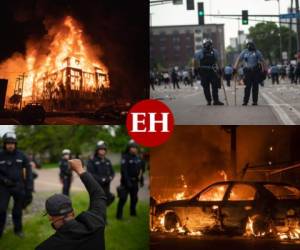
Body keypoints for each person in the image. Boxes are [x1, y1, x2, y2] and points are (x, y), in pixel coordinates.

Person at [36, 159, 106, 250]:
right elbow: (98, 195)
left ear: (50, 217)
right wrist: (80, 170)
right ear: (73, 212)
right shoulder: (96, 223)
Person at [0, 132, 33, 238]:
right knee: (1, 209)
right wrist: (4, 180)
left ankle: (18, 230)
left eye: (12, 143)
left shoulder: (21, 155)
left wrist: (29, 189)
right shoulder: (0, 155)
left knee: (18, 210)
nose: (10, 145)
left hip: (18, 186)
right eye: (8, 143)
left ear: (15, 144)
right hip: (3, 187)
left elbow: (29, 173)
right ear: (4, 144)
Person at [116, 140, 144, 220]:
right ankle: (119, 215)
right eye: (132, 147)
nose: (134, 149)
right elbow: (124, 171)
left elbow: (141, 170)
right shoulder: (125, 158)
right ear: (129, 148)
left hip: (135, 182)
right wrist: (128, 182)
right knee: (123, 199)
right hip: (126, 182)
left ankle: (133, 213)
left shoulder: (138, 158)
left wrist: (141, 181)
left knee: (134, 199)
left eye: (135, 147)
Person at [234, 39, 267, 106]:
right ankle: (245, 101)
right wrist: (235, 68)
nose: (250, 46)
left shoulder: (257, 52)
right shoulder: (244, 52)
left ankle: (255, 101)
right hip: (247, 71)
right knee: (247, 86)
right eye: (248, 45)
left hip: (255, 71)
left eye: (251, 45)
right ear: (247, 45)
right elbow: (238, 60)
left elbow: (262, 61)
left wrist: (265, 70)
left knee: (255, 86)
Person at [194, 38, 224, 105]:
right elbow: (196, 62)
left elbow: (196, 62)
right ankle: (211, 101)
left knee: (212, 86)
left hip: (211, 71)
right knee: (208, 86)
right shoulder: (200, 52)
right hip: (206, 71)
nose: (208, 45)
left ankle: (213, 101)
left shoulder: (213, 51)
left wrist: (220, 70)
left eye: (209, 44)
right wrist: (220, 70)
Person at [87, 141, 115, 207]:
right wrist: (102, 179)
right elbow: (91, 174)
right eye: (101, 149)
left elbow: (112, 172)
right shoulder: (92, 161)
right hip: (97, 185)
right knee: (96, 203)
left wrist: (111, 177)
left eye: (104, 149)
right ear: (97, 150)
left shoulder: (107, 161)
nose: (102, 151)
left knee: (107, 200)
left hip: (107, 186)